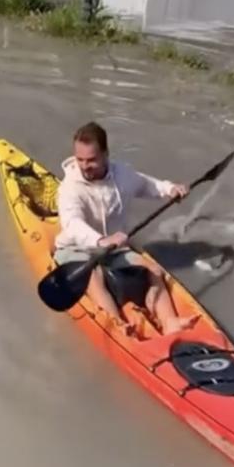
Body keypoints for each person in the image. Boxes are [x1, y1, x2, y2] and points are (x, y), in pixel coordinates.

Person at [54, 121, 194, 336]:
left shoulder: (123, 174)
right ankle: (118, 324)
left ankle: (170, 321)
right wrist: (100, 241)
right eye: (80, 159)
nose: (84, 166)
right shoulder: (69, 187)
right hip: (76, 249)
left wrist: (171, 189)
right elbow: (72, 224)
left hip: (116, 249)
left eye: (91, 160)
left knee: (154, 271)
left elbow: (148, 185)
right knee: (93, 275)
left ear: (106, 154)